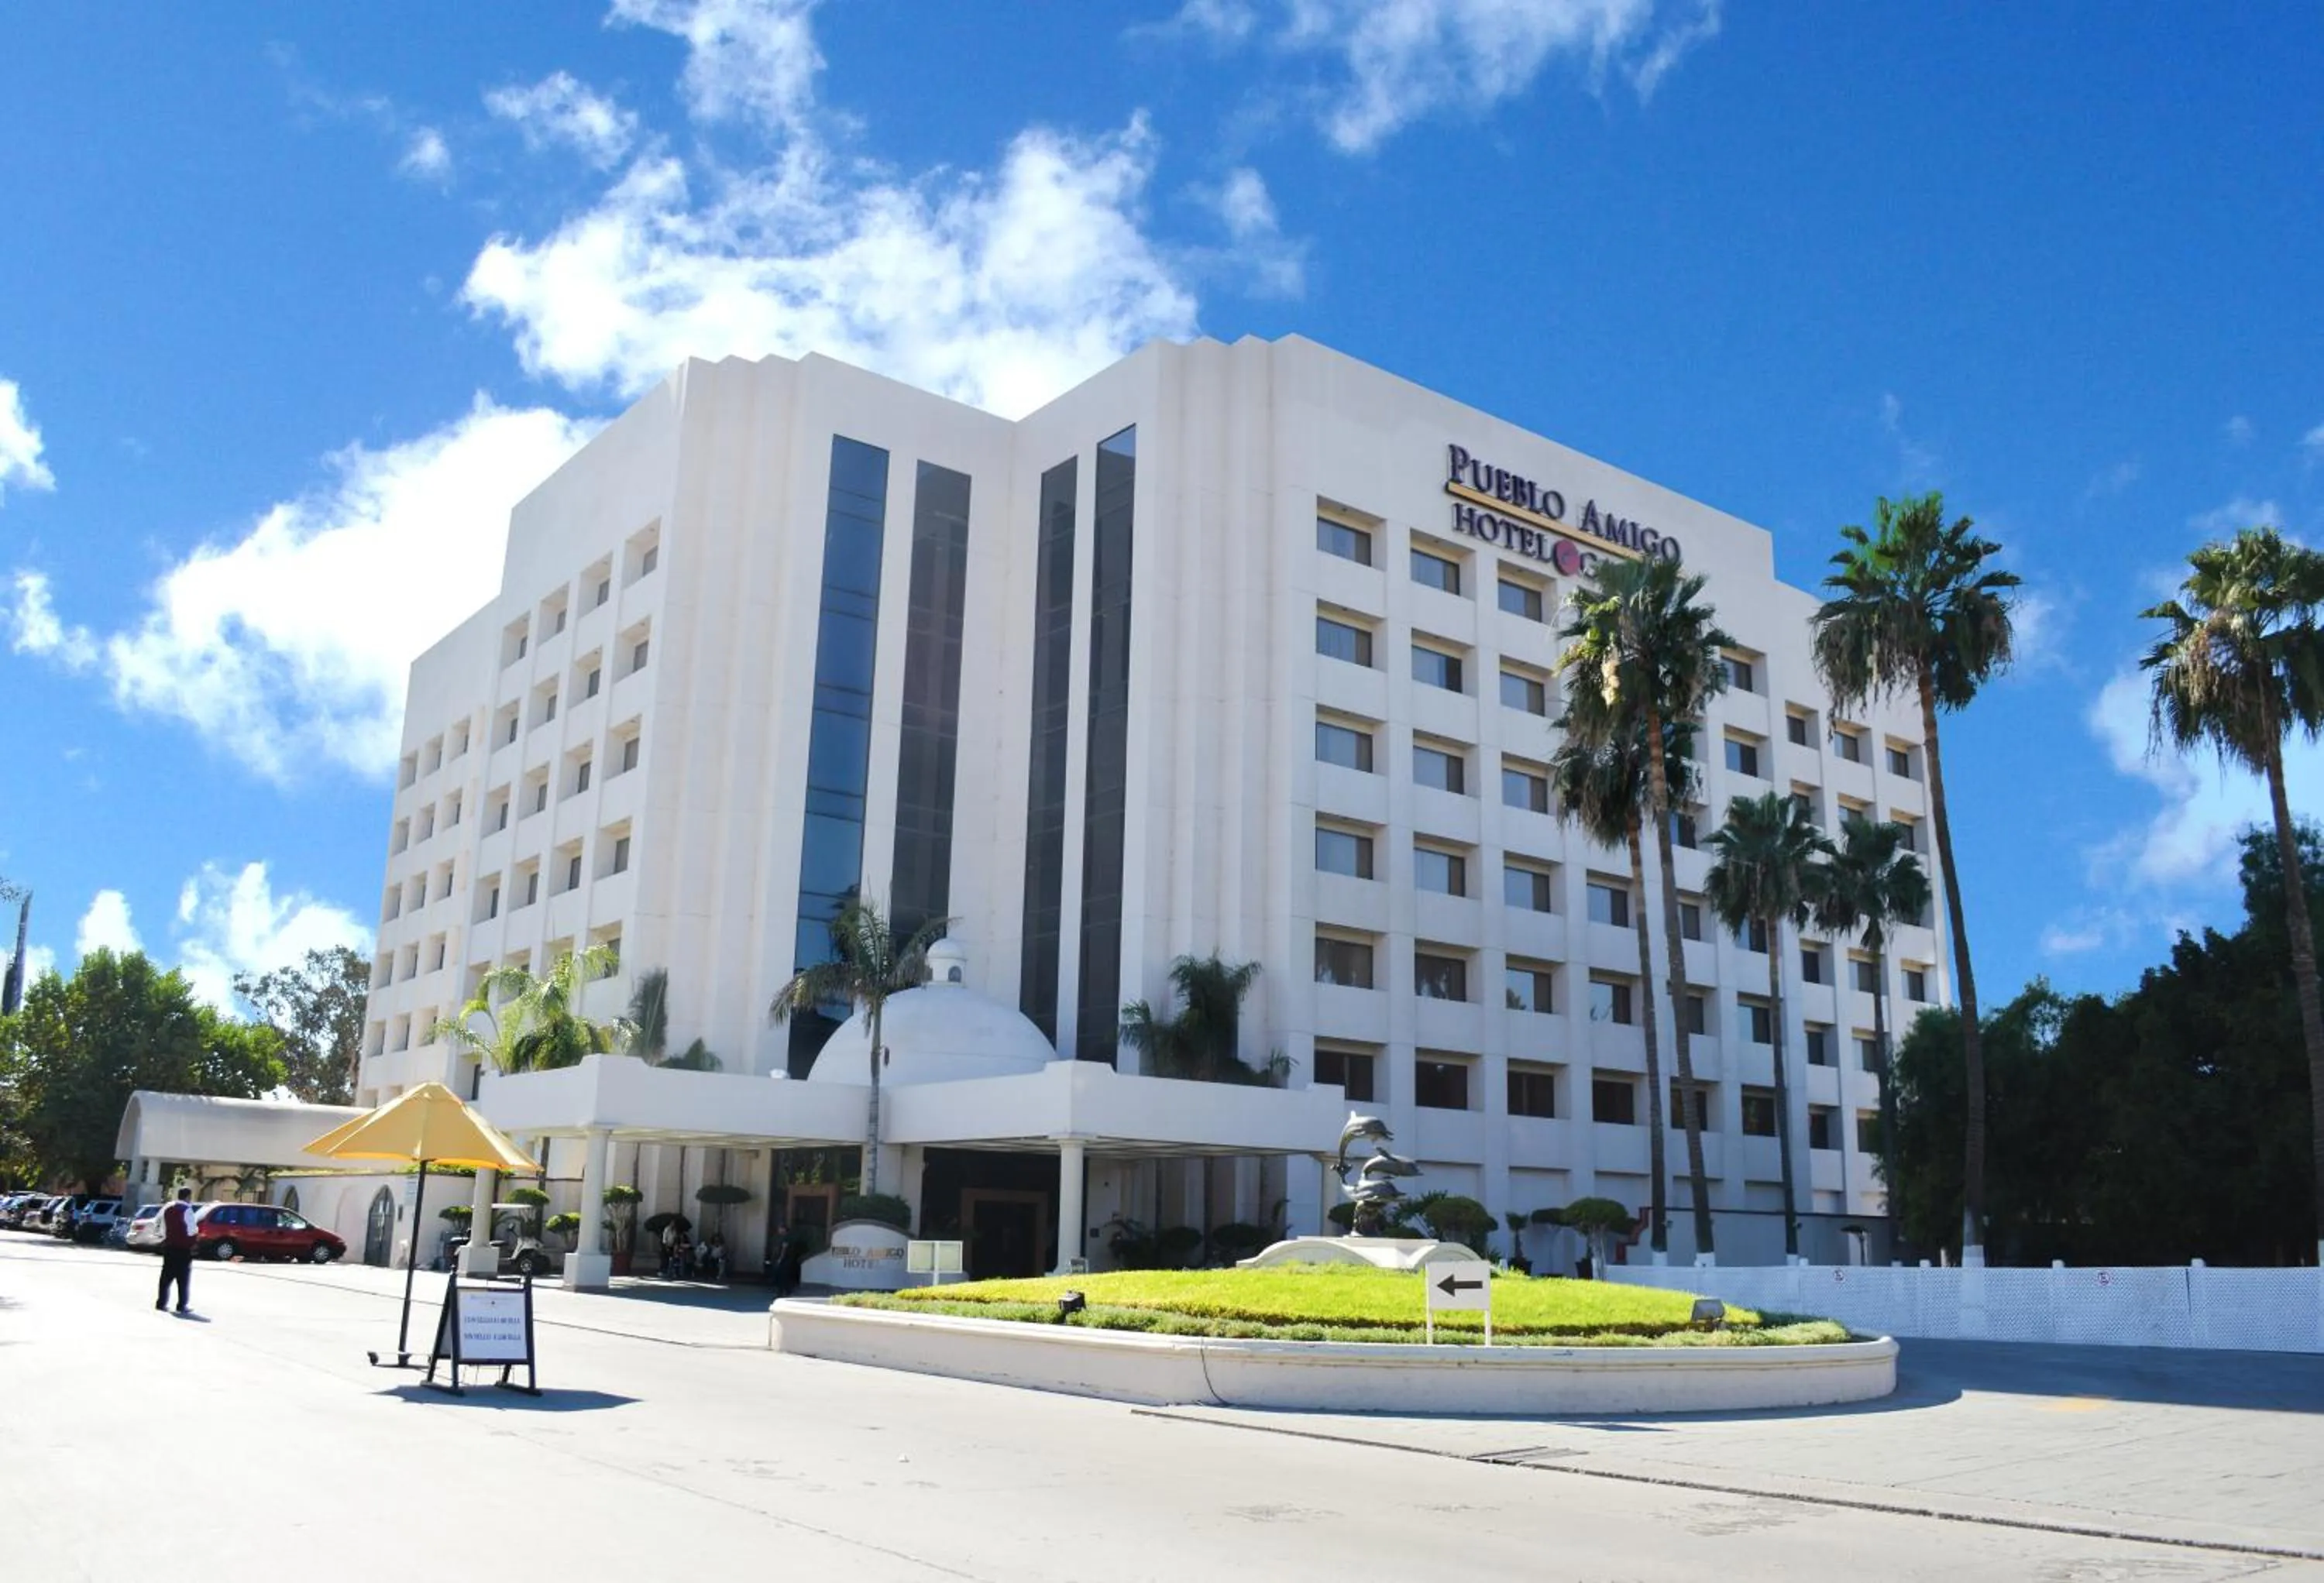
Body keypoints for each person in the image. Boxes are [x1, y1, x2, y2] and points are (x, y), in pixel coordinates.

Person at [156, 1188, 198, 1314]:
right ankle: (181, 1305)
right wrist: (196, 1233)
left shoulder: (168, 1209)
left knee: (166, 1276)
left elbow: (162, 1227)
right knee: (183, 1278)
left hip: (169, 1246)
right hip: (183, 1248)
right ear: (188, 1197)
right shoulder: (187, 1210)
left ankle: (161, 1303)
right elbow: (191, 1230)